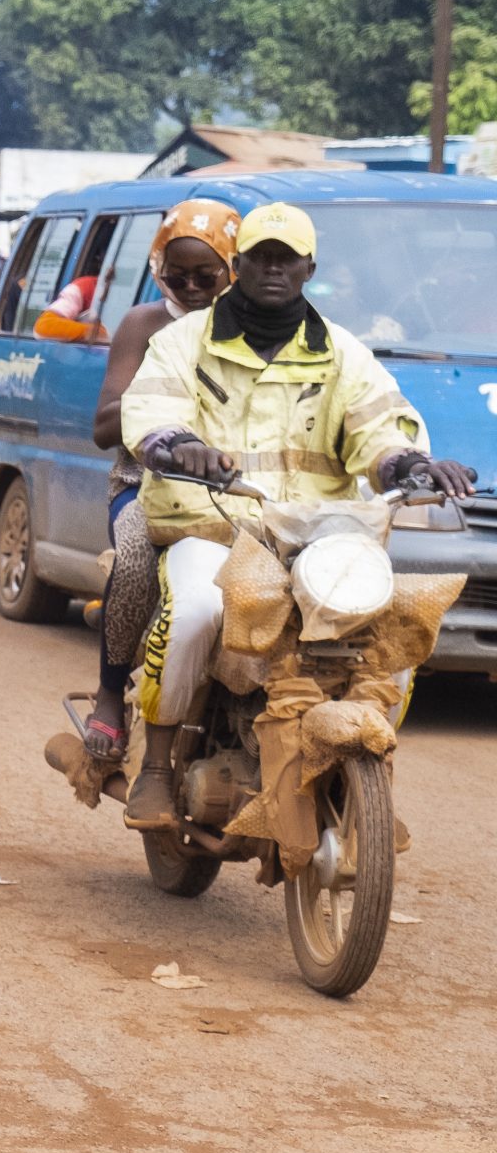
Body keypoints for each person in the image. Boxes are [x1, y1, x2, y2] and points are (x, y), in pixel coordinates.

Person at [120, 202, 474, 830]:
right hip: (214, 524)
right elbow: (149, 412)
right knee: (196, 612)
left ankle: (365, 775)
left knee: (392, 633)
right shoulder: (183, 342)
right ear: (239, 265)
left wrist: (411, 467)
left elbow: (380, 429)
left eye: (288, 257)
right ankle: (155, 762)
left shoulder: (343, 353)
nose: (274, 268)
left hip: (320, 536)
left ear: (310, 266)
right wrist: (178, 444)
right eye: (261, 256)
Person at [79, 199, 239, 762]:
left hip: (236, 488)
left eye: (206, 275)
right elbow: (104, 426)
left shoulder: (253, 325)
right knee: (134, 557)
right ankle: (109, 692)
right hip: (145, 481)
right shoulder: (144, 324)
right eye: (177, 275)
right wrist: (158, 427)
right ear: (156, 268)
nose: (191, 287)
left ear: (232, 269)